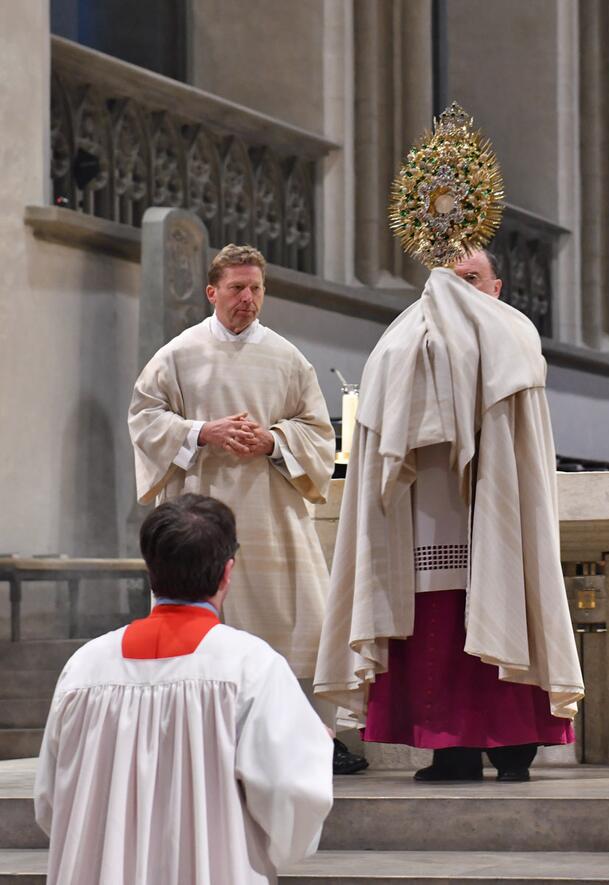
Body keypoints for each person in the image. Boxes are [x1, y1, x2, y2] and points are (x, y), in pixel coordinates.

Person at [314, 247, 584, 782]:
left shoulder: (513, 336)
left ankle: (514, 751)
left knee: (511, 601)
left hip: (497, 514)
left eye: (473, 279)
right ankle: (452, 751)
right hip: (427, 517)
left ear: (496, 287)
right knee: (439, 633)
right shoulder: (401, 340)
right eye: (451, 279)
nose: (460, 290)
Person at [127, 243, 366, 774]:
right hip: (202, 515)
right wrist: (200, 431)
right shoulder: (178, 354)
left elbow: (318, 433)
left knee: (301, 620)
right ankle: (206, 738)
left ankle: (311, 737)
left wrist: (274, 443)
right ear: (212, 291)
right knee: (209, 627)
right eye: (237, 288)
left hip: (273, 517)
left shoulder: (287, 358)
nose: (248, 299)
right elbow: (144, 419)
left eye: (256, 288)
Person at [34, 494, 333, 885]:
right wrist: (313, 747)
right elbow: (290, 791)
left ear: (149, 569)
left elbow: (52, 801)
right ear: (228, 572)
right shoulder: (250, 665)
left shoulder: (85, 667)